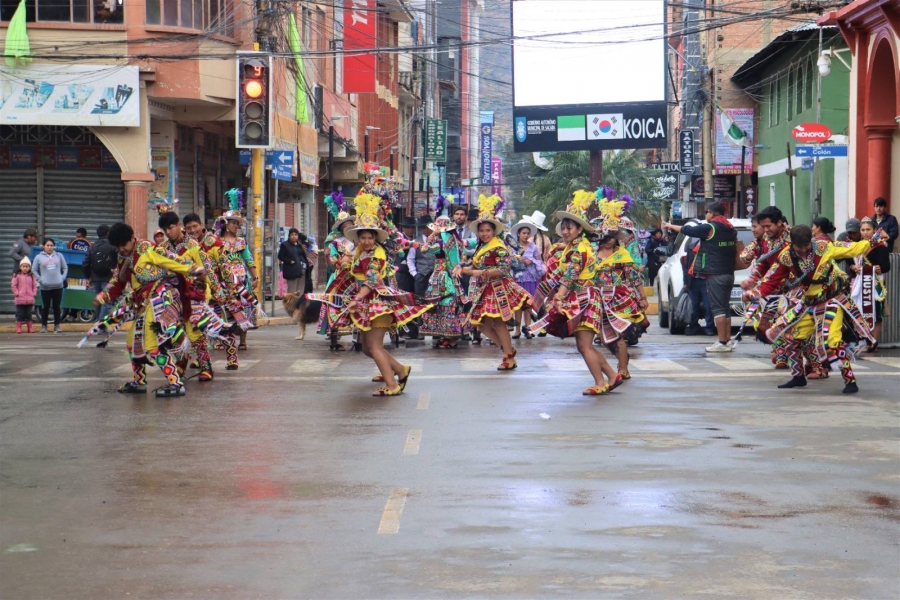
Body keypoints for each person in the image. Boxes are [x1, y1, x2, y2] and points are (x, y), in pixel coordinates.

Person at [745, 224, 887, 394]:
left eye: (806, 246)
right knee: (790, 338)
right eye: (799, 247)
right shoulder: (786, 257)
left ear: (810, 242)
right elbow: (770, 280)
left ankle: (850, 380)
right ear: (792, 244)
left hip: (832, 300)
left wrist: (874, 241)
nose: (804, 250)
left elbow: (853, 248)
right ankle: (798, 376)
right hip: (808, 303)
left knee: (831, 341)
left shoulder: (823, 247)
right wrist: (755, 293)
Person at [98, 223, 205, 397]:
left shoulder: (147, 249)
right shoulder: (123, 258)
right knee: (133, 343)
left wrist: (194, 269)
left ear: (132, 239)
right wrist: (103, 296)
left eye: (123, 245)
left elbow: (172, 259)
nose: (121, 249)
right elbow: (118, 281)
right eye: (118, 246)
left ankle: (175, 383)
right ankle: (139, 381)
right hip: (143, 304)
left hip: (159, 301)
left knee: (152, 343)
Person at [340, 193, 432, 395]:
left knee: (375, 347)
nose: (366, 241)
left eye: (369, 237)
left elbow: (372, 281)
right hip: (367, 301)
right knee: (366, 347)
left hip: (377, 302)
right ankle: (400, 369)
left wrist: (356, 299)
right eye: (362, 237)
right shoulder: (360, 252)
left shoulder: (376, 254)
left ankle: (392, 385)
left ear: (375, 238)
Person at [530, 190, 620, 394]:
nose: (565, 230)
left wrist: (559, 297)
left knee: (584, 345)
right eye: (564, 227)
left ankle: (600, 383)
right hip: (585, 299)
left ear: (580, 230)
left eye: (570, 227)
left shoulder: (579, 250)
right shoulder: (578, 246)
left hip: (585, 299)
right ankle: (613, 377)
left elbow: (570, 276)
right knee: (585, 345)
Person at [452, 194, 531, 371]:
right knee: (481, 324)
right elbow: (474, 263)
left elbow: (503, 269)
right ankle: (507, 350)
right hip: (484, 288)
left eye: (488, 231)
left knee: (498, 323)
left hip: (498, 288)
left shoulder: (499, 246)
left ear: (494, 231)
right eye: (482, 231)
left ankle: (508, 357)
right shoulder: (482, 245)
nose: (484, 234)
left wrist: (478, 272)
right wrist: (461, 267)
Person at [663, 201, 737, 353]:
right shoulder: (730, 228)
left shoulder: (710, 228)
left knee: (717, 309)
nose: (706, 215)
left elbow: (687, 230)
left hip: (715, 274)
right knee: (725, 308)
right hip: (729, 273)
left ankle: (722, 342)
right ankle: (728, 340)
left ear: (712, 213)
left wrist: (670, 226)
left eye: (707, 212)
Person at [219, 190, 259, 352]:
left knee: (244, 308)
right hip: (224, 280)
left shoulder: (241, 242)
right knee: (224, 309)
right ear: (226, 224)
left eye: (238, 223)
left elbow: (249, 259)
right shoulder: (217, 242)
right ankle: (222, 338)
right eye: (234, 223)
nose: (236, 226)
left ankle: (242, 340)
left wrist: (255, 276)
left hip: (242, 281)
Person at [419, 215, 468, 348]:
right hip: (454, 276)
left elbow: (424, 249)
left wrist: (433, 235)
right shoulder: (458, 242)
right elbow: (464, 259)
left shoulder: (440, 243)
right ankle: (451, 337)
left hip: (440, 277)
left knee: (442, 305)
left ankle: (448, 337)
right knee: (452, 304)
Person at [851, 217, 891, 352]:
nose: (865, 232)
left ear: (874, 230)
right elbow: (854, 265)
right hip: (861, 285)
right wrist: (853, 268)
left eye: (868, 229)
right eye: (862, 230)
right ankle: (864, 340)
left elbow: (885, 266)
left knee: (876, 313)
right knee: (862, 312)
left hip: (875, 284)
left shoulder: (880, 246)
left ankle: (873, 341)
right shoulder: (859, 246)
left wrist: (870, 269)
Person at [508, 217, 544, 339]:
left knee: (528, 305)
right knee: (518, 306)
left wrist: (531, 261)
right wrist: (517, 261)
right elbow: (508, 260)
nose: (526, 235)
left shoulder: (533, 246)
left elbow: (540, 262)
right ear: (518, 234)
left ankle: (528, 329)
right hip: (518, 280)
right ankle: (517, 330)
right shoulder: (513, 247)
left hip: (531, 279)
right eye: (524, 233)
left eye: (528, 233)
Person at [82, 225, 118, 323]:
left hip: (95, 278)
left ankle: (97, 323)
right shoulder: (112, 246)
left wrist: (87, 277)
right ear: (108, 233)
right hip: (108, 278)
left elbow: (85, 263)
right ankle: (101, 325)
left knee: (98, 301)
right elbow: (118, 258)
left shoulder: (93, 246)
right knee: (106, 301)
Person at [32, 237, 68, 334]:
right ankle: (44, 326)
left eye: (51, 245)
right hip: (45, 286)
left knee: (56, 307)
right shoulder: (39, 257)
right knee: (45, 307)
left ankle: (57, 326)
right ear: (43, 246)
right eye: (47, 245)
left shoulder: (59, 255)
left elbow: (65, 268)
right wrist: (40, 279)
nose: (49, 247)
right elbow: (34, 269)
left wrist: (62, 278)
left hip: (58, 286)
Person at [278, 228, 309, 295]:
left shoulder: (299, 245)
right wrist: (289, 261)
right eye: (292, 235)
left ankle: (298, 304)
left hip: (302, 270)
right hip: (292, 271)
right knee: (292, 292)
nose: (294, 236)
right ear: (289, 236)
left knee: (300, 291)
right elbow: (280, 256)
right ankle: (291, 305)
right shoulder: (285, 245)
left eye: (295, 235)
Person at [11, 256, 37, 334]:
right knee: (20, 314)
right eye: (23, 266)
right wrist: (16, 293)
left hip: (29, 299)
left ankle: (30, 328)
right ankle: (19, 328)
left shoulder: (32, 276)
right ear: (20, 267)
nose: (25, 268)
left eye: (27, 266)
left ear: (29, 267)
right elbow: (13, 285)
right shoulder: (17, 276)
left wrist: (34, 293)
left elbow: (34, 286)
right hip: (20, 299)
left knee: (29, 314)